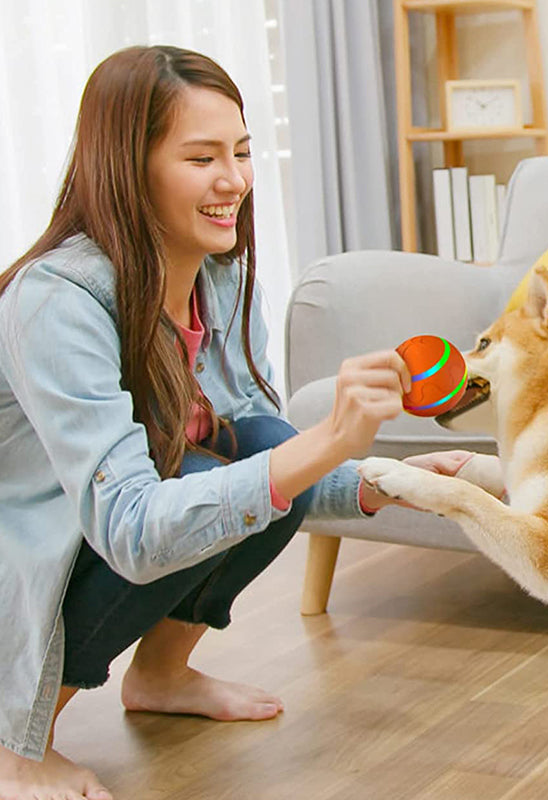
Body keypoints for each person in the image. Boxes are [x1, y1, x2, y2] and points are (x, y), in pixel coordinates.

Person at [0, 45, 478, 800]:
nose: (235, 181)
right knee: (229, 474)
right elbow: (128, 526)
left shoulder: (223, 279)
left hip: (115, 523)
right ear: (127, 167)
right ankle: (17, 744)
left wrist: (376, 482)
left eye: (243, 152)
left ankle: (160, 675)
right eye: (202, 158)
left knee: (258, 450)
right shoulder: (56, 299)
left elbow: (257, 444)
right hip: (36, 547)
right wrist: (324, 446)